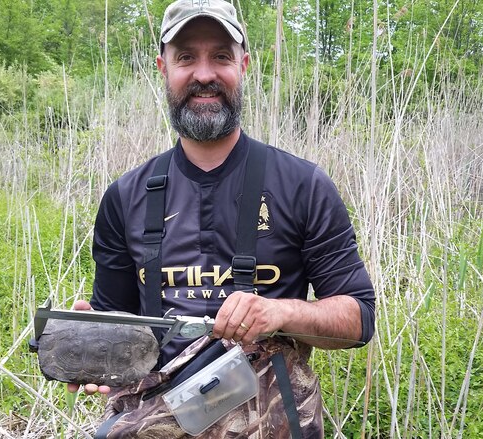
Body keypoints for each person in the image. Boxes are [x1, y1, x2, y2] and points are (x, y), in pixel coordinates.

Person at [68, 0, 375, 436]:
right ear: (163, 68)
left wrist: (278, 313)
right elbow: (119, 326)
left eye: (221, 56)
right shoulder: (125, 196)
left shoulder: (302, 185)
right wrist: (95, 339)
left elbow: (358, 319)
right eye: (187, 57)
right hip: (158, 417)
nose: (205, 74)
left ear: (244, 65)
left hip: (272, 421)